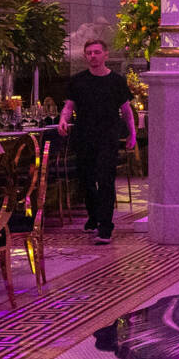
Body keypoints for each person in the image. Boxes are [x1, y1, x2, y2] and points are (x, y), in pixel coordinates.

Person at [58, 37, 136, 243]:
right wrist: (63, 120)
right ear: (85, 56)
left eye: (97, 52)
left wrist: (132, 133)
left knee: (105, 179)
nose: (93, 56)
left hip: (108, 136)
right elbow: (69, 106)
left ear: (106, 55)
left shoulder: (116, 81)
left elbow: (126, 111)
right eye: (89, 53)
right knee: (86, 180)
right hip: (84, 136)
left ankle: (105, 227)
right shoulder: (78, 81)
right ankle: (94, 216)